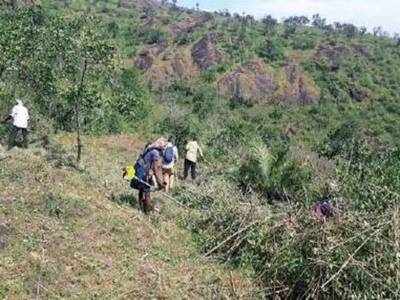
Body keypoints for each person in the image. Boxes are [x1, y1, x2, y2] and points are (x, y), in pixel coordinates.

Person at [138, 145, 166, 214]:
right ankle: (147, 212)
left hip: (141, 172)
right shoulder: (155, 153)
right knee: (147, 193)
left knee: (142, 190)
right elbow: (157, 169)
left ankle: (141, 207)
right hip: (146, 174)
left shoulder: (148, 150)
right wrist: (161, 183)